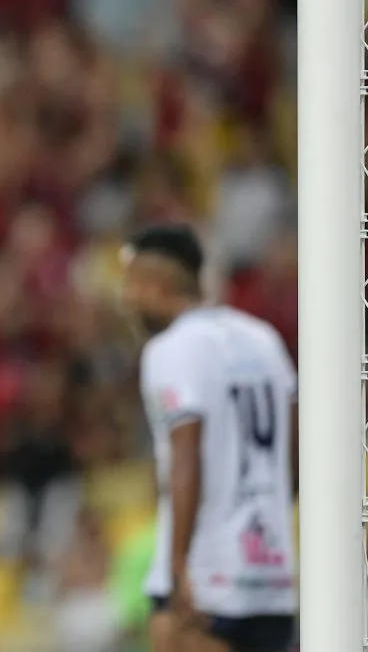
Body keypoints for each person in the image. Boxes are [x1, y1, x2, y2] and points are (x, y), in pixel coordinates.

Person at [120, 224, 297, 652]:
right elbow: (294, 451)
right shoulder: (264, 339)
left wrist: (179, 565)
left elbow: (186, 455)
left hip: (207, 574)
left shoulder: (171, 348)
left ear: (156, 284)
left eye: (130, 286)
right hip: (271, 575)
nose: (126, 301)